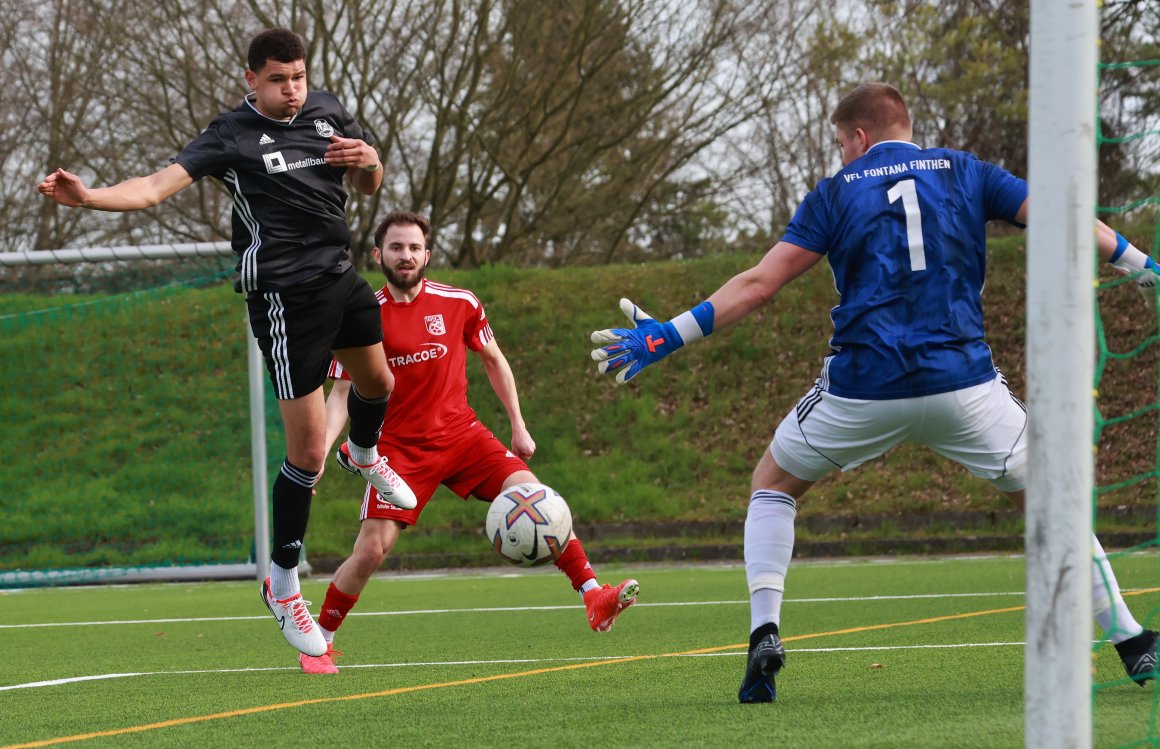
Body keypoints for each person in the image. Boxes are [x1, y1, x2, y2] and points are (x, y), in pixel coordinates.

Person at [590, 82, 1159, 702]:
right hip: (963, 388)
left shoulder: (836, 193)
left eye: (840, 144)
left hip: (862, 390)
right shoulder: (967, 171)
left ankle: (764, 635)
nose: (841, 157)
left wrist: (666, 336)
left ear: (859, 137)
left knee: (772, 485)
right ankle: (1132, 638)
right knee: (1050, 496)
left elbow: (758, 285)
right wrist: (1141, 264)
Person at [35, 28, 418, 658]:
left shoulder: (326, 111)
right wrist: (90, 197)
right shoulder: (229, 136)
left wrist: (369, 162)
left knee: (381, 385)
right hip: (285, 299)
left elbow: (370, 180)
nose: (291, 90)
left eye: (297, 77)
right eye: (277, 79)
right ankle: (284, 580)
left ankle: (367, 454)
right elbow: (156, 187)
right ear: (251, 80)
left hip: (340, 277)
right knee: (307, 453)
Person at [299, 210, 639, 674]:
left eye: (414, 248)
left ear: (428, 255)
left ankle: (593, 595)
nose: (406, 256)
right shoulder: (361, 315)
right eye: (396, 248)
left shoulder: (460, 302)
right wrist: (316, 456)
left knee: (538, 499)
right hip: (397, 452)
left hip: (463, 436)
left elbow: (494, 361)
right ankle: (318, 642)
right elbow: (339, 395)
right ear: (378, 255)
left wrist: (518, 425)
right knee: (372, 550)